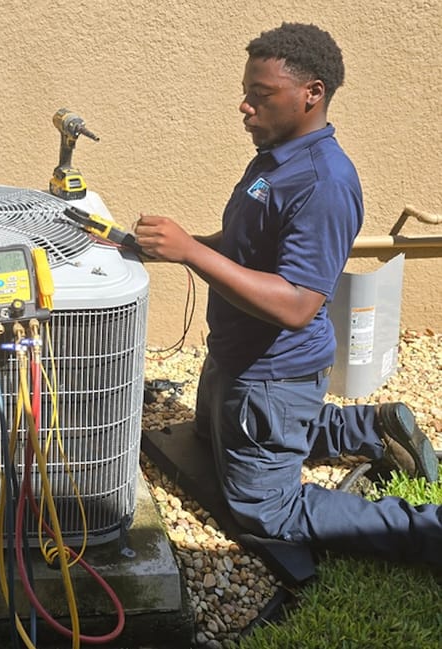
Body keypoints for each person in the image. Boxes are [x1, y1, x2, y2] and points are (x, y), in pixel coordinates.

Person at [133, 22, 441, 564]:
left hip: (271, 373)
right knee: (208, 437)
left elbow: (299, 305)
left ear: (311, 93)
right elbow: (241, 243)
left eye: (261, 95)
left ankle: (425, 532)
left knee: (266, 512)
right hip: (234, 354)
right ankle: (372, 427)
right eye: (247, 93)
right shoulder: (275, 158)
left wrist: (190, 251)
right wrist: (156, 247)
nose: (245, 107)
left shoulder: (323, 183)